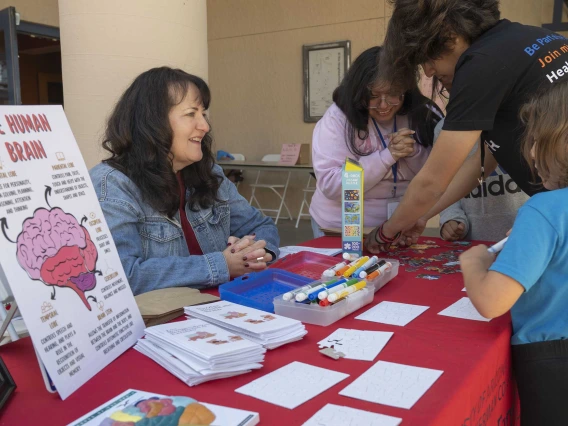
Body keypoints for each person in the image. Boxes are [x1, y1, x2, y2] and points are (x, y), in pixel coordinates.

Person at [364, 0, 568, 252]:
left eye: (426, 57)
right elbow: (483, 161)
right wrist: (422, 215)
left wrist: (385, 233)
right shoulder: (535, 38)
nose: (427, 71)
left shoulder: (480, 63)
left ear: (450, 33)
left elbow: (432, 181)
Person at [90, 67, 279, 295]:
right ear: (151, 121)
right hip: (160, 325)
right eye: (191, 114)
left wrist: (257, 252)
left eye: (203, 114)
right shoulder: (113, 184)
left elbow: (260, 226)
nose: (205, 126)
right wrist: (221, 265)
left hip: (223, 311)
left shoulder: (209, 173)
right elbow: (121, 276)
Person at [459, 80, 568, 426]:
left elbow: (492, 302)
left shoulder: (543, 209)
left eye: (534, 140)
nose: (530, 153)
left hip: (551, 362)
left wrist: (474, 264)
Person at [310, 46, 443, 238]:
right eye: (373, 96)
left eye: (393, 94)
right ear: (358, 92)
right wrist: (387, 157)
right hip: (342, 227)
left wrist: (412, 152)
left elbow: (437, 174)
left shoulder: (424, 113)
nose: (383, 105)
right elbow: (332, 184)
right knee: (346, 268)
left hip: (402, 224)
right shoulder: (337, 118)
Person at [435, 118, 529, 242]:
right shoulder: (445, 128)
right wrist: (451, 217)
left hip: (527, 236)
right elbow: (443, 183)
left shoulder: (526, 117)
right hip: (473, 240)